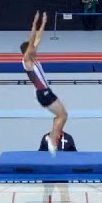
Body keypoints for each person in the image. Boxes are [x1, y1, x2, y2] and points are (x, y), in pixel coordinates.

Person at [22, 12, 68, 154]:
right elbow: (31, 41)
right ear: (27, 52)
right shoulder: (27, 61)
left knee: (62, 115)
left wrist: (43, 23)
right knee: (61, 116)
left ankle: (52, 140)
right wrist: (34, 24)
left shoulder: (33, 58)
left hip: (47, 92)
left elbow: (38, 39)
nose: (36, 48)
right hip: (43, 93)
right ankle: (52, 141)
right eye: (33, 48)